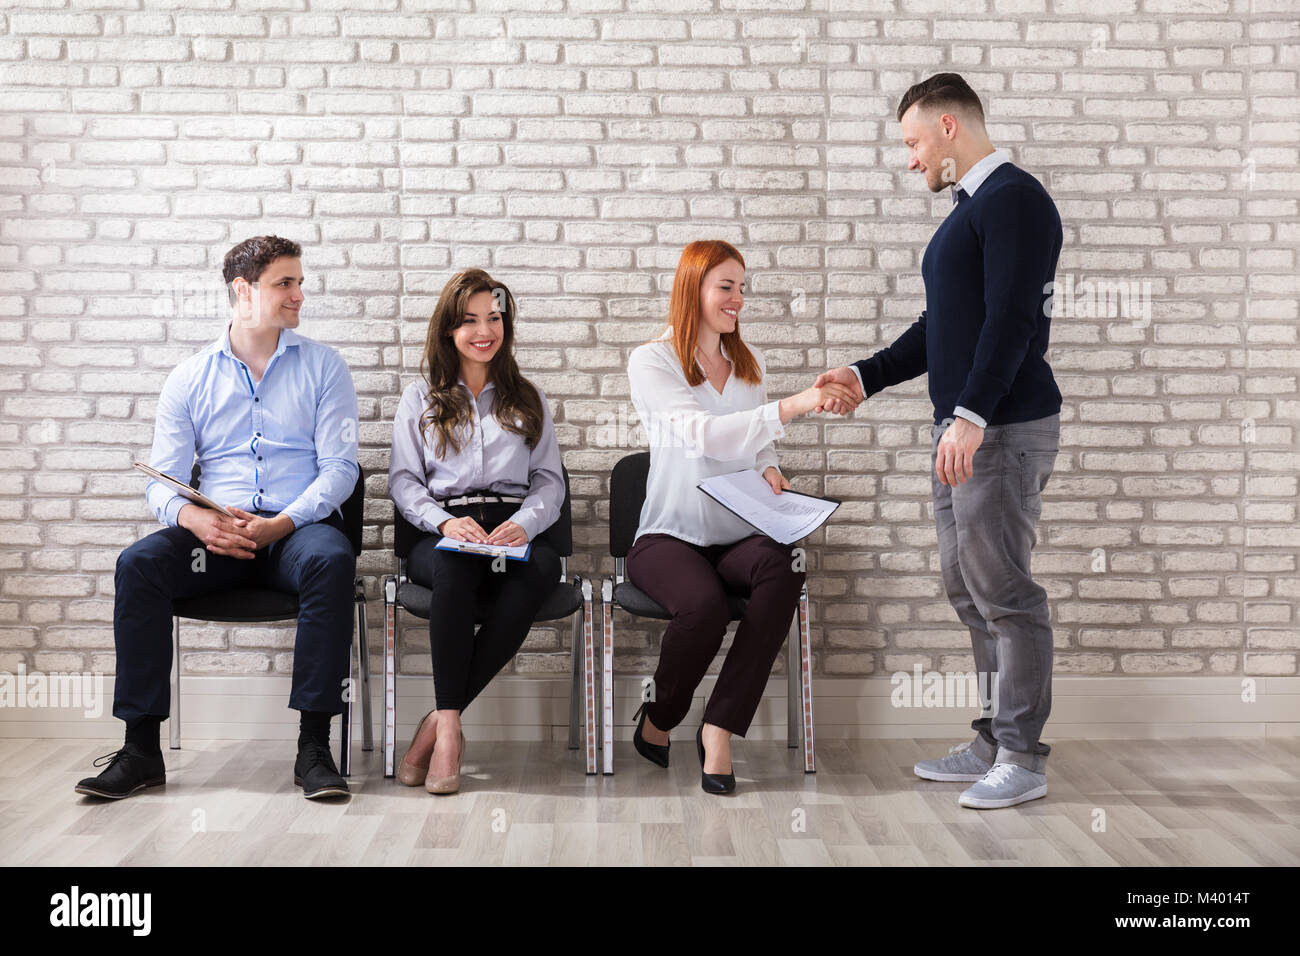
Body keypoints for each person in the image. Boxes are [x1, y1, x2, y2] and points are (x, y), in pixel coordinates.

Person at [817, 73, 1064, 809]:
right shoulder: (971, 210)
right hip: (963, 425)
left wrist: (972, 415)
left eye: (914, 141)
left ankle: (1021, 755)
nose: (910, 158)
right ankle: (993, 738)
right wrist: (867, 374)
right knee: (968, 588)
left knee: (1006, 593)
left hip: (1000, 428)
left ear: (950, 127)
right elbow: (944, 328)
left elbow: (1011, 321)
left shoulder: (1014, 201)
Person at [76, 235, 360, 801]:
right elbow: (161, 480)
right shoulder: (189, 378)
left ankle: (313, 748)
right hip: (216, 540)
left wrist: (284, 523)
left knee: (331, 560)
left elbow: (340, 470)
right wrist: (194, 520)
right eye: (286, 282)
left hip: (293, 536)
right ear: (243, 290)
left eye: (300, 282)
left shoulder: (324, 367)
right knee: (139, 564)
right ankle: (140, 750)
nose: (300, 294)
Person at [625, 239, 857, 794]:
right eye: (726, 287)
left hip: (735, 535)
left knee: (786, 567)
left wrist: (771, 468)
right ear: (693, 288)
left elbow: (756, 446)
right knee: (701, 608)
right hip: (668, 535)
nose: (738, 300)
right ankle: (660, 717)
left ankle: (720, 726)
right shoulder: (652, 361)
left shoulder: (747, 368)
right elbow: (703, 433)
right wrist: (799, 404)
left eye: (742, 288)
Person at [389, 268, 564, 795]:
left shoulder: (527, 396)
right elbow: (403, 481)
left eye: (494, 318)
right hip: (442, 528)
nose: (484, 330)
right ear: (448, 329)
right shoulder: (420, 396)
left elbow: (550, 482)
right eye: (469, 320)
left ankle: (440, 724)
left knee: (543, 569)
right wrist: (444, 522)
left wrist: (525, 524)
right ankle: (450, 732)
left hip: (511, 527)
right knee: (451, 567)